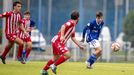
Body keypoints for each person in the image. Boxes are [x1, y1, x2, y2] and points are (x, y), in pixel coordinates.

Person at [40, 10, 85, 75]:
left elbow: (73, 38)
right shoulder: (71, 22)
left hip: (55, 41)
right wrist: (62, 36)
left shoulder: (73, 27)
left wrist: (79, 45)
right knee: (68, 55)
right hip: (58, 41)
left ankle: (43, 71)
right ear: (78, 18)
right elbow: (63, 26)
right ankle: (54, 66)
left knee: (55, 58)